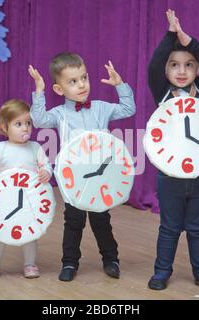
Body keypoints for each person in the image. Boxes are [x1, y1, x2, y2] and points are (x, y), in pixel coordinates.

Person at [28, 53, 136, 281]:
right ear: (59, 89)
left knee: (101, 221)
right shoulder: (59, 114)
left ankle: (111, 259)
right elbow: (38, 121)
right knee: (74, 222)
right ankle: (69, 263)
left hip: (100, 179)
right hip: (74, 180)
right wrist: (39, 91)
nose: (81, 85)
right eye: (73, 81)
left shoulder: (101, 108)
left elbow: (128, 109)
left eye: (84, 78)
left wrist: (120, 85)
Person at [147, 10, 199, 293]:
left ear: (197, 70)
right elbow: (155, 64)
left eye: (188, 65)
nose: (181, 71)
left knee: (198, 228)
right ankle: (161, 272)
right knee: (169, 228)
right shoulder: (162, 93)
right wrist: (170, 36)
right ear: (166, 72)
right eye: (174, 65)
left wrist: (187, 40)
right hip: (169, 176)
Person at [0, 99, 52, 279]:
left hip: (29, 201)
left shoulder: (35, 148)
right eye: (18, 124)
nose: (25, 128)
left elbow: (46, 165)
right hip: (5, 201)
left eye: (28, 123)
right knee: (0, 232)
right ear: (4, 127)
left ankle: (30, 264)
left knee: (30, 233)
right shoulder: (0, 149)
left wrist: (46, 173)